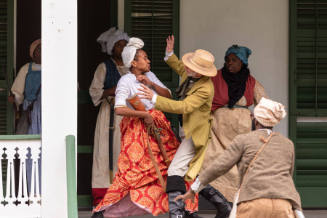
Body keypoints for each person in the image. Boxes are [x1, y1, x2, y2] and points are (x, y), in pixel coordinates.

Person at [92, 37, 198, 218]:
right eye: (145, 58)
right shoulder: (126, 81)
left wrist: (152, 85)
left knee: (176, 163)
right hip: (138, 132)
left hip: (158, 127)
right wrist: (144, 115)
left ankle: (185, 209)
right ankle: (104, 212)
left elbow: (169, 94)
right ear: (133, 62)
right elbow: (119, 108)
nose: (149, 61)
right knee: (135, 175)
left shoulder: (149, 76)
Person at [164, 36, 268, 206]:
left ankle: (233, 205)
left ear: (243, 62)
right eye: (227, 60)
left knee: (237, 168)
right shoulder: (214, 77)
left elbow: (264, 103)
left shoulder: (251, 82)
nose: (230, 63)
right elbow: (187, 70)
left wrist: (258, 119)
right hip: (217, 130)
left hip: (241, 131)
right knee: (211, 163)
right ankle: (222, 204)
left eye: (234, 60)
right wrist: (170, 55)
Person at [176, 97, 304, 218]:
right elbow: (287, 175)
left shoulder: (243, 140)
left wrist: (194, 189)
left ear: (256, 120)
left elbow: (219, 166)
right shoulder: (288, 144)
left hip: (253, 202)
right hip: (283, 204)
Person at [139, 43, 227, 217]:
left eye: (192, 67)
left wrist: (155, 98)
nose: (187, 68)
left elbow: (184, 106)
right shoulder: (193, 77)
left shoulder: (205, 88)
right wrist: (169, 53)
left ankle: (177, 213)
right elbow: (181, 67)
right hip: (188, 129)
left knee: (175, 171)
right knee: (190, 173)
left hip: (195, 134)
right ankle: (223, 207)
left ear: (200, 72)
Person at [89, 27, 129, 206]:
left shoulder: (132, 66)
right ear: (112, 48)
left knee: (125, 154)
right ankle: (103, 198)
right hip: (109, 116)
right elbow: (94, 91)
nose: (122, 48)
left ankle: (123, 198)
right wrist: (111, 91)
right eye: (119, 45)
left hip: (128, 115)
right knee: (105, 154)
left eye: (124, 45)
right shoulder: (104, 67)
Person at [9, 39, 42, 135]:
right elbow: (17, 90)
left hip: (48, 108)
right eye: (39, 50)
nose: (42, 52)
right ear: (33, 53)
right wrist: (14, 97)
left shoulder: (54, 67)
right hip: (30, 109)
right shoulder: (26, 68)